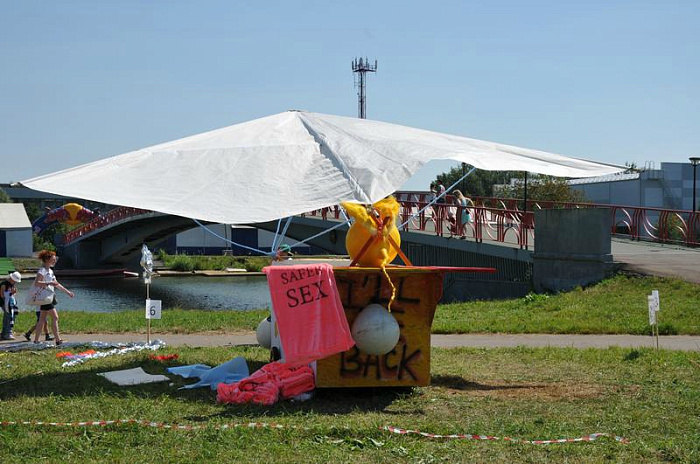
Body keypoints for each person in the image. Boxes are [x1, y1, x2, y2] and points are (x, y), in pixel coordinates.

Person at [31, 250, 74, 345]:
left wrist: (68, 292)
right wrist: (49, 283)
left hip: (47, 298)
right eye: (53, 259)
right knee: (55, 317)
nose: (55, 261)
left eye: (55, 259)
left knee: (41, 320)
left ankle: (36, 340)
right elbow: (37, 283)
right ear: (47, 260)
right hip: (45, 298)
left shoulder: (50, 271)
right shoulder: (42, 271)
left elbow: (57, 284)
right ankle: (58, 340)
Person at [1, 271, 22, 340]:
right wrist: (10, 293)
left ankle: (5, 333)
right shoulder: (4, 284)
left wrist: (13, 293)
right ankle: (7, 333)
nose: (15, 282)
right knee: (9, 317)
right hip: (4, 303)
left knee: (9, 316)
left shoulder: (11, 284)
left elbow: (11, 295)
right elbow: (2, 295)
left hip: (9, 303)